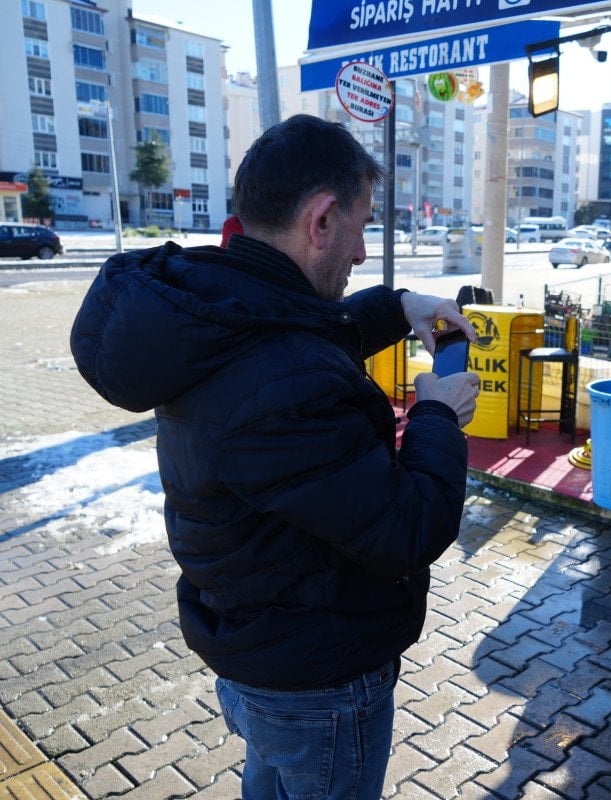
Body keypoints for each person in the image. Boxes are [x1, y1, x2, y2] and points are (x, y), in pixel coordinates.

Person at [70, 114, 481, 800]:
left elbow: (298, 334)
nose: (361, 253)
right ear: (321, 220)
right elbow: (409, 528)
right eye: (362, 225)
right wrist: (437, 415)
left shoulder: (214, 307)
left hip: (262, 650)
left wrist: (400, 305)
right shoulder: (284, 378)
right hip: (318, 680)